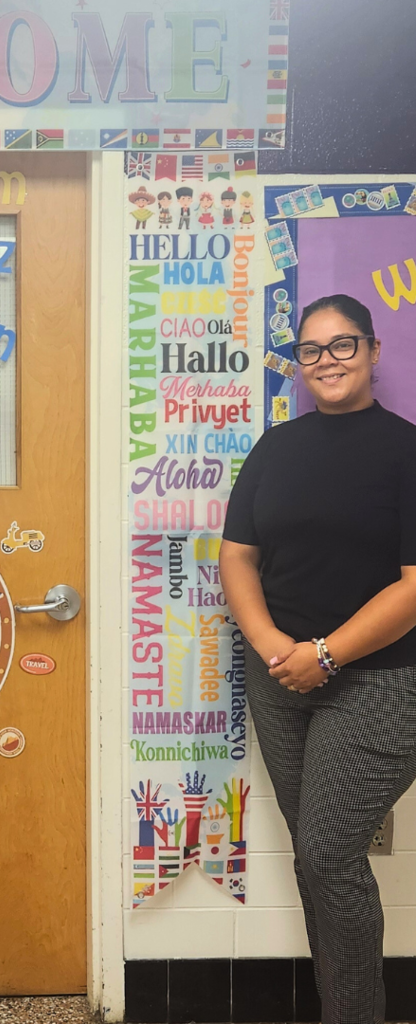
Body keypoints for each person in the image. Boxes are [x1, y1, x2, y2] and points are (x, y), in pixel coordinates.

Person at [220, 294, 416, 1024]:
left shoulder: (406, 451)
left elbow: (415, 589)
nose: (327, 360)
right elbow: (237, 558)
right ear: (298, 362)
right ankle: (343, 1006)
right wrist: (277, 648)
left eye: (343, 345)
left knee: (329, 854)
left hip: (381, 684)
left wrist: (326, 655)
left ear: (372, 351)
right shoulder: (277, 448)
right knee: (317, 861)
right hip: (281, 681)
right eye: (312, 349)